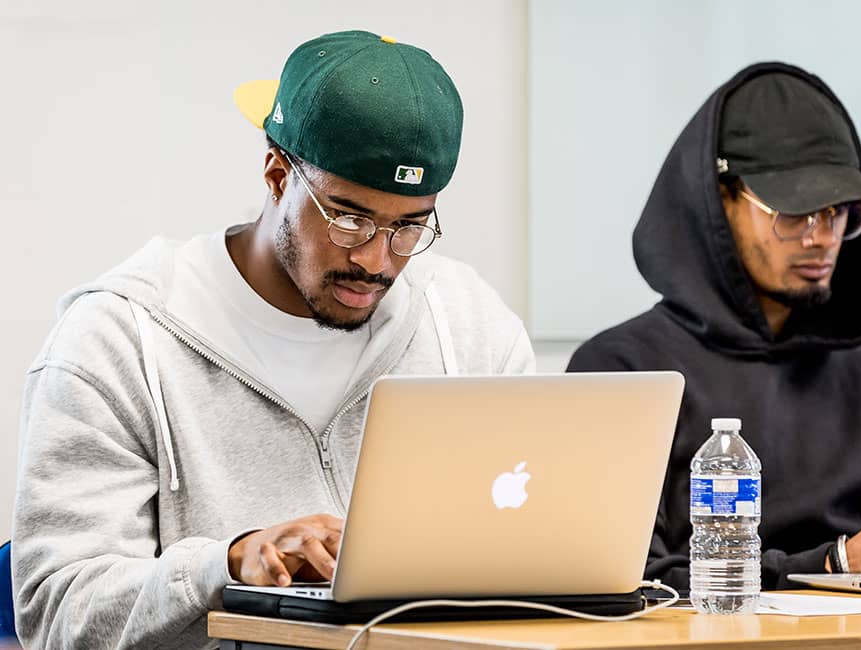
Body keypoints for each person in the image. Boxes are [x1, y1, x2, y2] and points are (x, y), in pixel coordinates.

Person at [12, 30, 533, 648]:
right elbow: (58, 612)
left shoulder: (468, 322)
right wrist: (226, 565)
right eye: (348, 218)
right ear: (277, 174)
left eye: (409, 226)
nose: (376, 260)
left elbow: (538, 540)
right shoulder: (117, 340)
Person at [568, 61, 861, 592]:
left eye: (839, 212)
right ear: (717, 200)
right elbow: (624, 579)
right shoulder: (622, 371)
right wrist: (833, 563)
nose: (822, 237)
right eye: (794, 214)